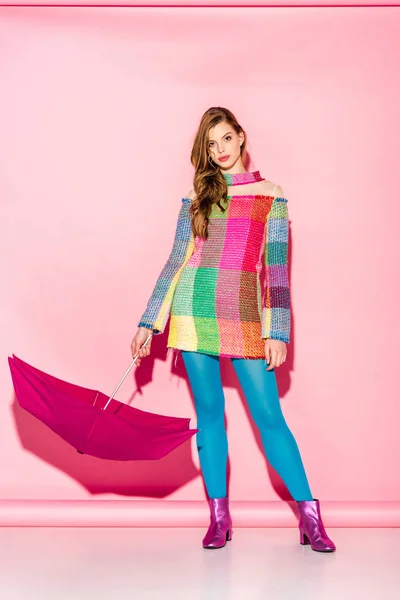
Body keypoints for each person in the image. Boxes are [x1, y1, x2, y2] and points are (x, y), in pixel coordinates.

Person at [131, 106, 336, 553]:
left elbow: (275, 272)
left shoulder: (271, 195)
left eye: (226, 138)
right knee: (209, 417)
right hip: (191, 309)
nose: (220, 150)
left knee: (269, 418)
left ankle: (310, 516)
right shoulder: (196, 197)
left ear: (242, 137)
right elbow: (175, 262)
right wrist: (150, 322)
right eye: (211, 144)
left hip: (244, 314)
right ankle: (218, 517)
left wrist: (276, 331)